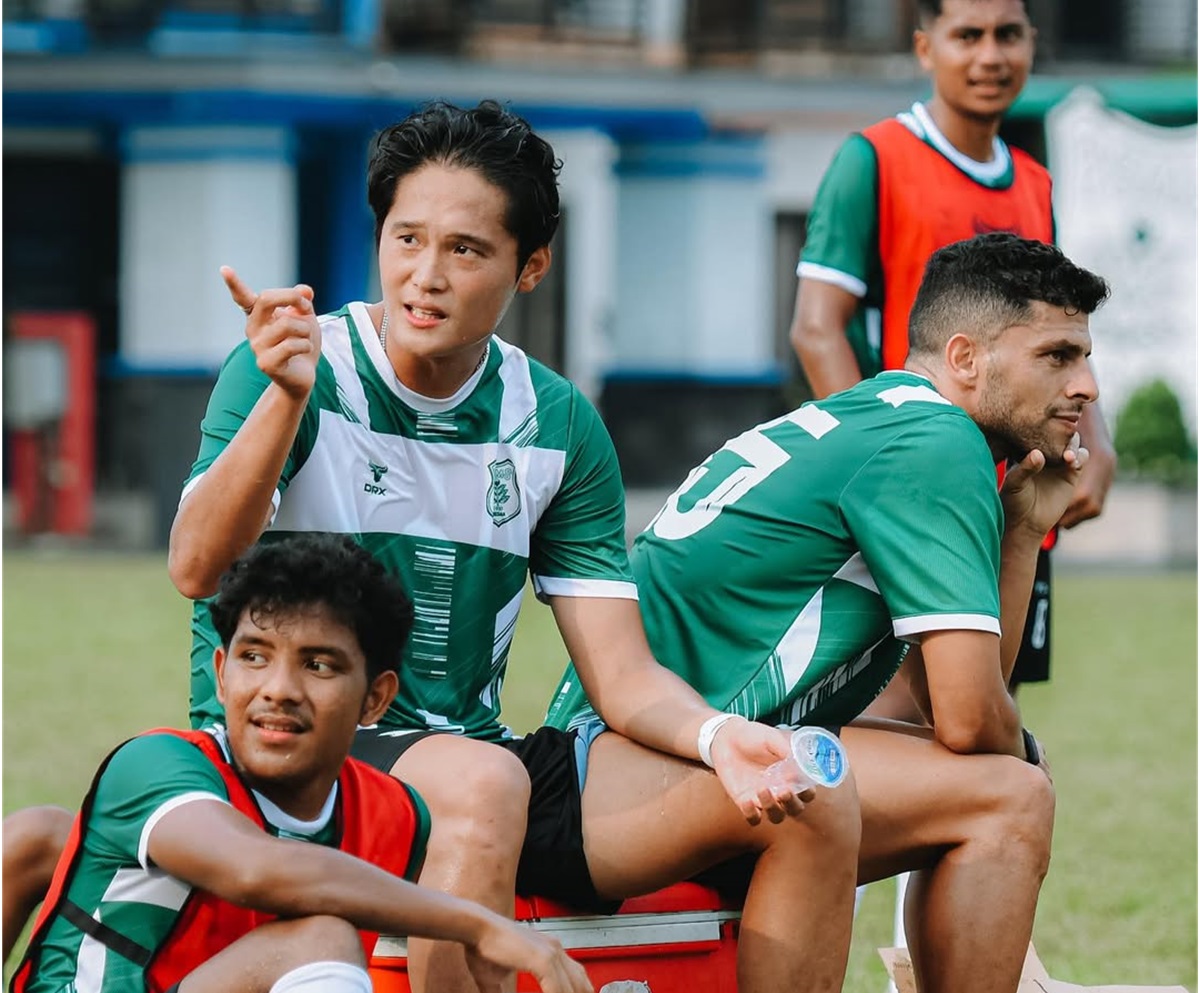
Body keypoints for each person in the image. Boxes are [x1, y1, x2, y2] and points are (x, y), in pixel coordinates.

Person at [158, 99, 860, 993]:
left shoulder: (557, 422)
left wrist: (724, 737)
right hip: (296, 762)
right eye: (406, 239)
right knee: (483, 784)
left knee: (809, 795)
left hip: (473, 764)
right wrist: (283, 401)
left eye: (465, 249)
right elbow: (196, 569)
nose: (426, 275)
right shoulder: (295, 366)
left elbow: (622, 676)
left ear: (530, 267)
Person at [549, 233, 1111, 993]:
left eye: (1085, 357)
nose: (1087, 386)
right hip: (623, 772)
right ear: (966, 358)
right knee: (1012, 794)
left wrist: (1020, 535)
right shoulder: (935, 439)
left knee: (1005, 775)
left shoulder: (885, 419)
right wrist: (1016, 750)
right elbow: (972, 722)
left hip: (657, 759)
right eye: (1057, 355)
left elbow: (928, 708)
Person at [9, 534, 593, 993]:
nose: (278, 689)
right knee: (318, 941)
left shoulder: (395, 816)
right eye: (254, 657)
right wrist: (481, 924)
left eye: (318, 665)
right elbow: (255, 869)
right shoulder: (155, 767)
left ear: (376, 698)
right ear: (220, 673)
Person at [788, 0, 1116, 711]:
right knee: (905, 725)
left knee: (993, 713)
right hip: (920, 500)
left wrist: (1095, 436)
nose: (990, 56)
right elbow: (817, 328)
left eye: (1008, 35)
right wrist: (878, 472)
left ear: (1033, 43)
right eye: (967, 36)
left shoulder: (1035, 181)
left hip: (1015, 492)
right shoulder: (871, 159)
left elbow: (1058, 327)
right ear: (924, 47)